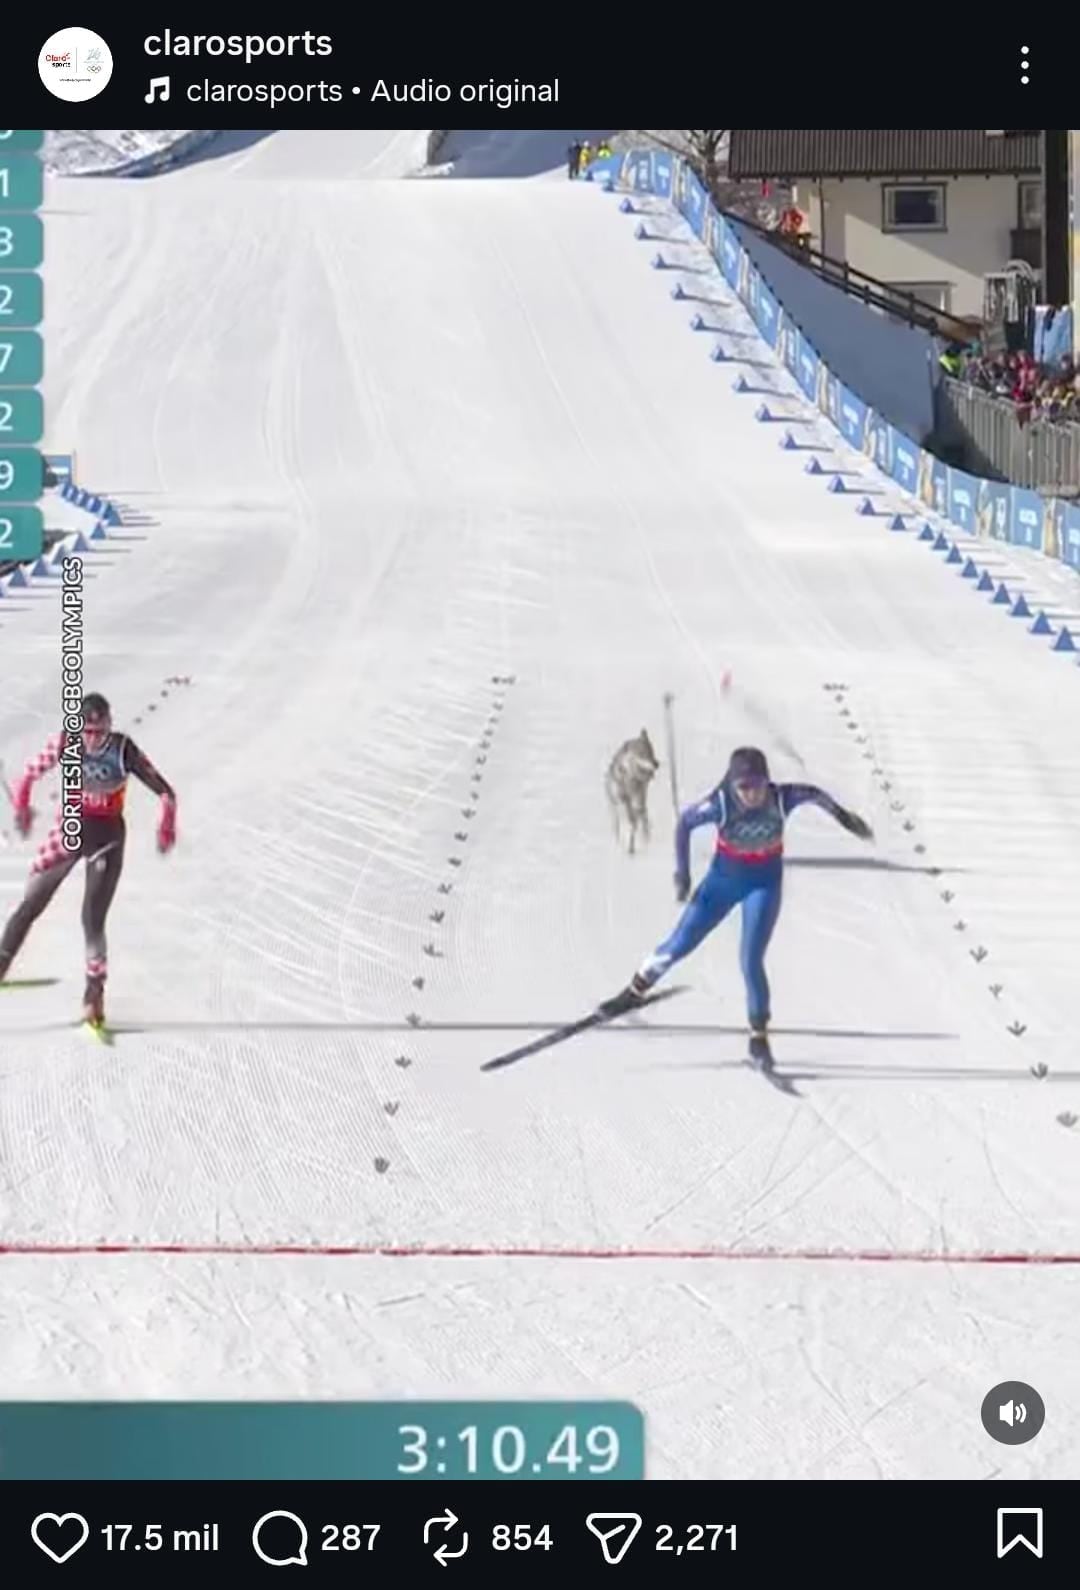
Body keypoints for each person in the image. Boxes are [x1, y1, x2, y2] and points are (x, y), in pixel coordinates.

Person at [599, 747, 873, 1061]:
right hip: (721, 884)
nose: (751, 794)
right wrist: (683, 874)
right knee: (680, 943)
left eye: (756, 785)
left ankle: (759, 1035)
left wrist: (846, 818)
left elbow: (816, 795)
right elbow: (686, 824)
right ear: (732, 784)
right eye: (743, 787)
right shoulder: (720, 805)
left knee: (750, 959)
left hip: (763, 886)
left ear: (767, 781)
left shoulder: (782, 798)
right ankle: (634, 991)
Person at [0, 692, 177, 1029]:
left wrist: (166, 826)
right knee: (31, 901)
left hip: (106, 838)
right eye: (88, 731)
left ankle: (94, 994)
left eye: (100, 730)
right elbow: (30, 772)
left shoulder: (123, 750)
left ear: (109, 725)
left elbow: (167, 793)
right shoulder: (66, 742)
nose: (94, 738)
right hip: (69, 830)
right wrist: (22, 806)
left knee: (92, 918)